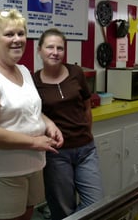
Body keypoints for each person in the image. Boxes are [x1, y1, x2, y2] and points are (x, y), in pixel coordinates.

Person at [0, 10, 63, 220]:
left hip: (32, 165)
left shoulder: (24, 71)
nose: (17, 39)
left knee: (27, 215)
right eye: (9, 34)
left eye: (21, 33)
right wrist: (34, 142)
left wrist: (49, 123)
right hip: (2, 172)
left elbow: (30, 109)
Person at [33, 28, 104, 220]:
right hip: (57, 154)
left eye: (60, 48)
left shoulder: (76, 72)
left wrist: (86, 134)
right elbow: (34, 114)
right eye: (50, 47)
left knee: (96, 202)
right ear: (39, 50)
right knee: (63, 208)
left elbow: (87, 106)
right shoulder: (33, 81)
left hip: (86, 149)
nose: (55, 52)